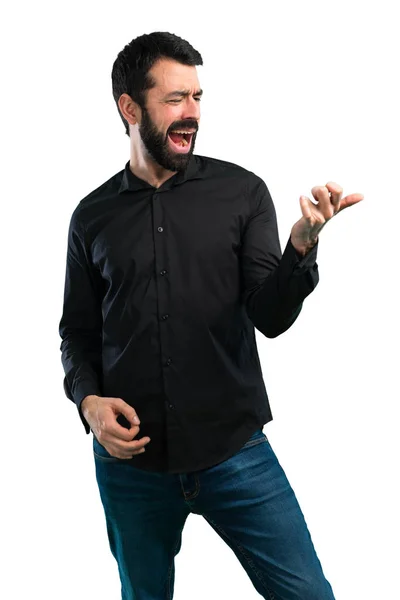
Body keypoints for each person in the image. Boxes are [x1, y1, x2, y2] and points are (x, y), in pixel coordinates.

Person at [58, 31, 363, 600]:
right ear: (130, 107)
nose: (192, 112)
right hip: (132, 466)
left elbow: (269, 317)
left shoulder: (242, 193)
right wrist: (88, 402)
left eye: (198, 96)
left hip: (235, 453)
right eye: (175, 98)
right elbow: (77, 331)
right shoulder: (91, 217)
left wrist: (299, 251)